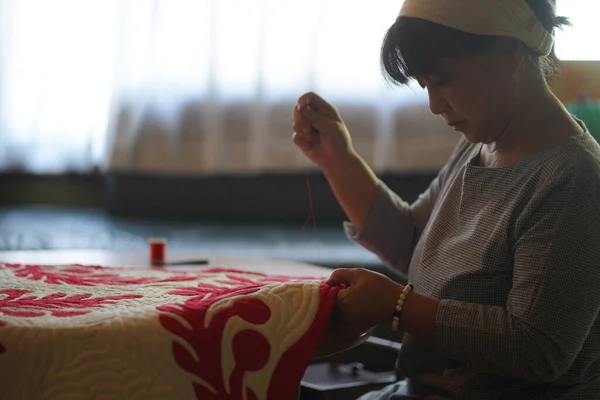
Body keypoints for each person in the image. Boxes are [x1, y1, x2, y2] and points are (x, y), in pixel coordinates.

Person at [291, 0, 600, 399]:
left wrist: (396, 307)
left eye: (442, 81)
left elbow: (538, 349)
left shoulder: (572, 179)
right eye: (425, 86)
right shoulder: (482, 145)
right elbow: (412, 241)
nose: (435, 105)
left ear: (509, 50)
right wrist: (337, 158)